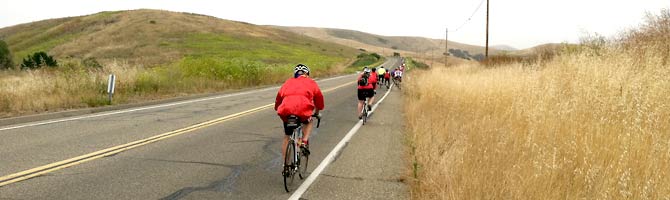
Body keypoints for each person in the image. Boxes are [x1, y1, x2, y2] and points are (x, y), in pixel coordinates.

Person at [275, 64, 324, 163]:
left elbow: (279, 98)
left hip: (286, 111)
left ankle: (285, 165)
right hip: (303, 111)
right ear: (307, 74)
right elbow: (319, 100)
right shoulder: (311, 82)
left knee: (287, 136)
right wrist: (317, 112)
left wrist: (277, 108)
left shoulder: (288, 82)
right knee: (309, 121)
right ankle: (304, 142)